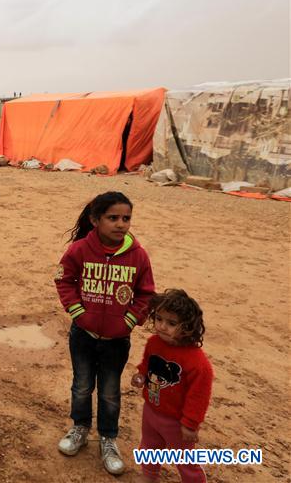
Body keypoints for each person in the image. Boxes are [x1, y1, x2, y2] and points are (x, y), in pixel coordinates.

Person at [54, 191, 156, 475]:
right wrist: (79, 313)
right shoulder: (79, 250)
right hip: (83, 336)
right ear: (95, 220)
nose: (121, 224)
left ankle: (108, 439)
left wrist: (128, 321)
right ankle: (79, 429)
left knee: (110, 393)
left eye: (126, 218)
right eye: (113, 218)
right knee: (82, 385)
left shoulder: (138, 255)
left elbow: (146, 294)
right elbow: (64, 280)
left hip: (117, 341)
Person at [131, 289, 213, 483]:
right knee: (149, 447)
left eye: (171, 323)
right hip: (151, 409)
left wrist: (190, 424)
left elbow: (198, 397)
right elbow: (147, 364)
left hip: (177, 422)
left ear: (188, 327)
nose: (162, 326)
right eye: (159, 319)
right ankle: (149, 476)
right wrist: (141, 375)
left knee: (185, 460)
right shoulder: (153, 342)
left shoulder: (198, 363)